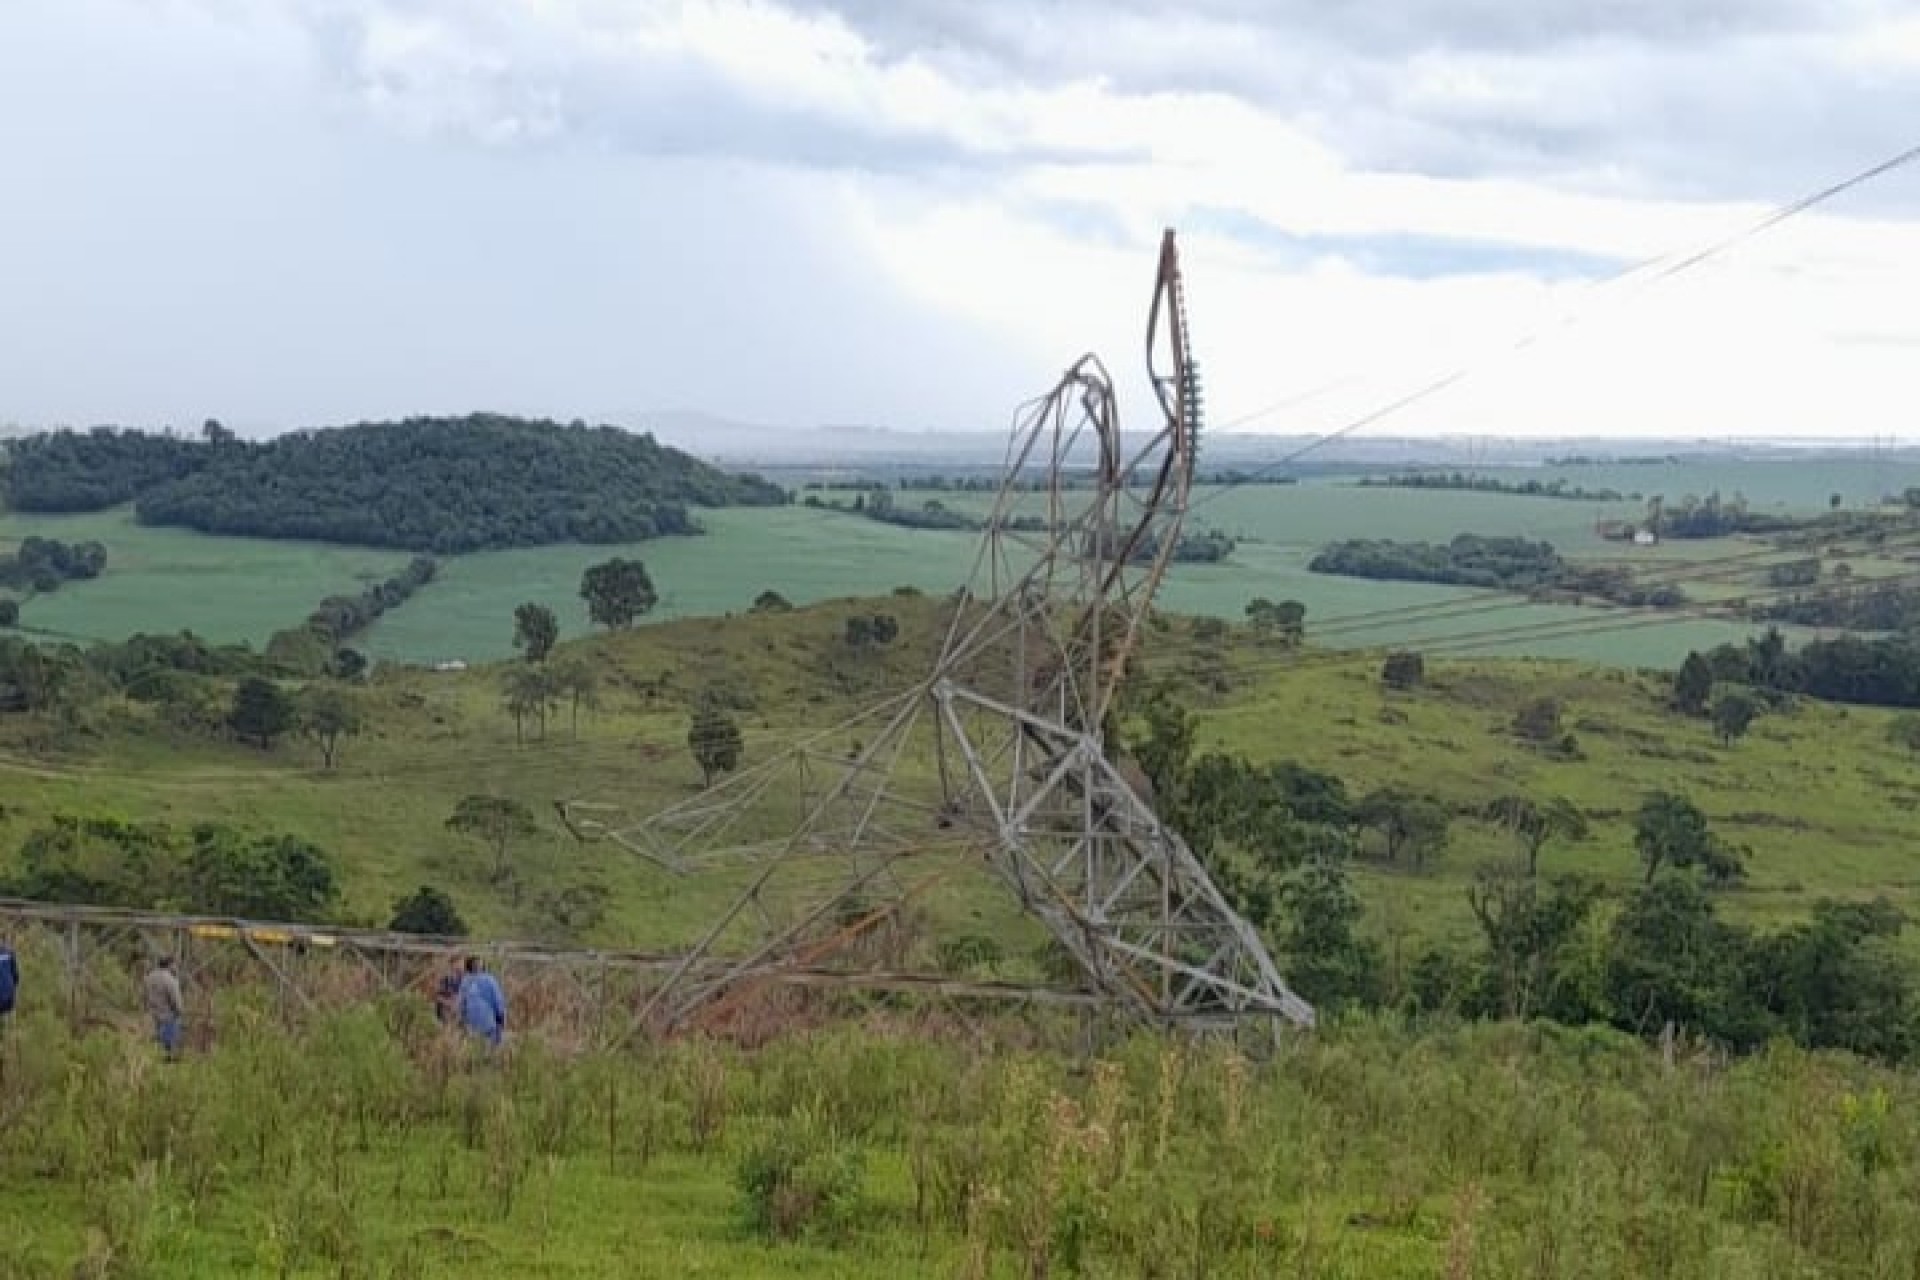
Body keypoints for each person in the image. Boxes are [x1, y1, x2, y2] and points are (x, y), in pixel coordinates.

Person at [456, 956, 506, 1047]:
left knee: (474, 1043)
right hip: (487, 1018)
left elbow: (461, 1002)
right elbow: (498, 999)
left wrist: (460, 1017)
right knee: (490, 1044)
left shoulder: (466, 981)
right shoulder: (489, 980)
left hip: (472, 1019)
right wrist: (501, 1016)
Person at [143, 955, 185, 1057]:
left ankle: (158, 1054)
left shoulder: (149, 977)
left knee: (159, 1037)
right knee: (170, 1039)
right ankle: (170, 1056)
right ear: (170, 965)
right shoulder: (170, 979)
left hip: (154, 1013)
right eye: (175, 965)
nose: (176, 967)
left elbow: (145, 995)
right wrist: (180, 1011)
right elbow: (176, 1000)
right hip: (168, 1014)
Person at [431, 957, 462, 1026]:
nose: (460, 965)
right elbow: (436, 996)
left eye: (461, 963)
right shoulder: (444, 978)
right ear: (452, 964)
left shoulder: (462, 979)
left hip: (456, 1009)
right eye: (458, 963)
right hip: (445, 1009)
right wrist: (448, 1002)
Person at [0, 938, 18, 1028]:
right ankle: (9, 1031)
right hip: (9, 997)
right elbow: (16, 976)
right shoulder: (10, 953)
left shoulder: (10, 954)